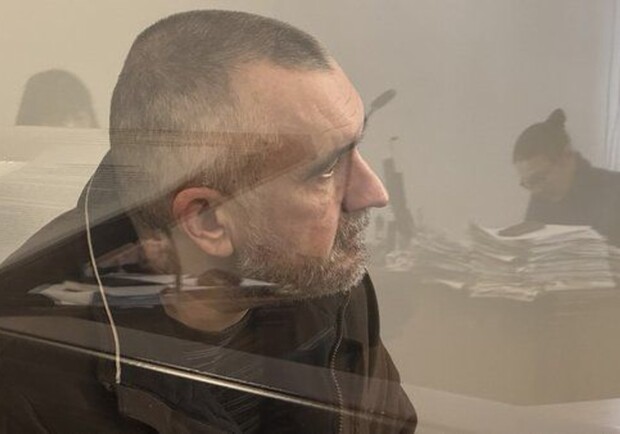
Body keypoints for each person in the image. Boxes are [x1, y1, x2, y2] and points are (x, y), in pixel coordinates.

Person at [0, 10, 417, 433]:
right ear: (207, 220)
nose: (374, 193)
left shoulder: (321, 279)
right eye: (326, 169)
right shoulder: (22, 379)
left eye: (355, 147)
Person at [513, 108, 620, 246]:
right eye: (527, 183)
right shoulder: (540, 198)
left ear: (566, 156)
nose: (535, 190)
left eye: (539, 178)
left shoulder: (614, 190)